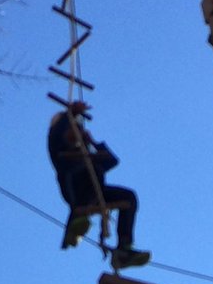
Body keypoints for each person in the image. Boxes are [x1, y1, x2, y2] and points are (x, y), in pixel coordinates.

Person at [48, 100, 150, 270]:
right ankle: (78, 218)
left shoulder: (89, 156)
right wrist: (70, 114)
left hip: (96, 192)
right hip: (75, 190)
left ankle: (124, 249)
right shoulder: (61, 153)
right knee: (83, 170)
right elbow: (58, 134)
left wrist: (93, 143)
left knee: (129, 197)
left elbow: (112, 161)